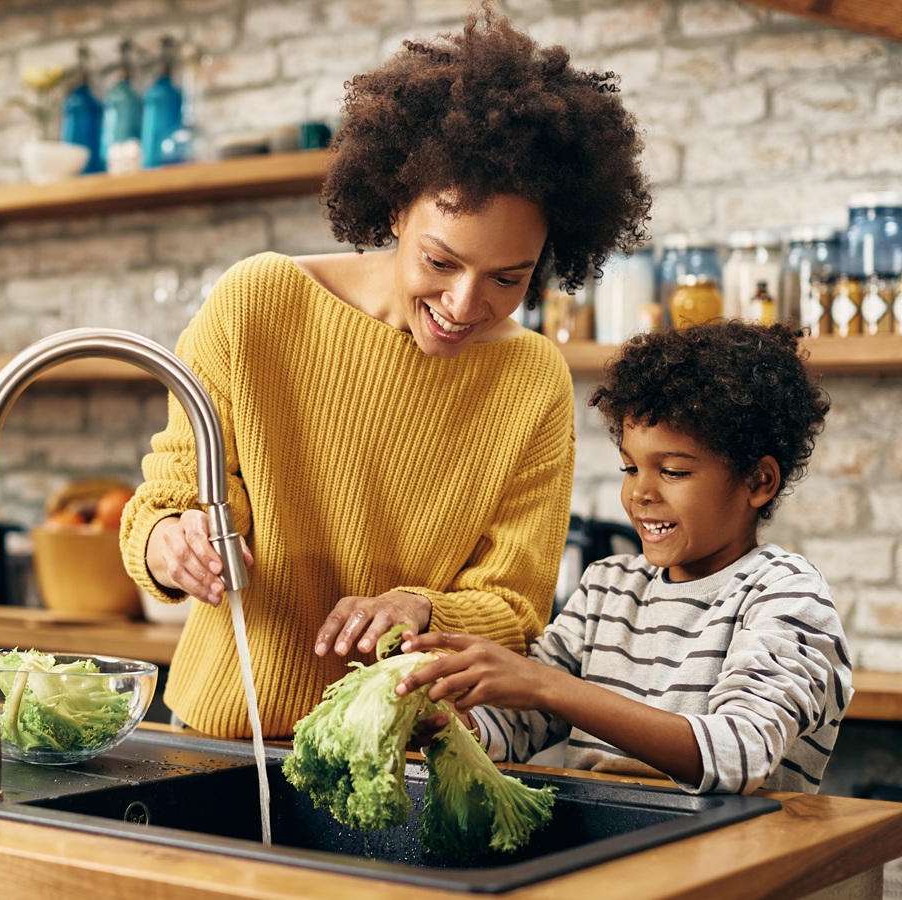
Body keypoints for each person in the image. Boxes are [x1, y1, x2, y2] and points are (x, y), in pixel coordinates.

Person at [119, 5, 652, 740]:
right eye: (441, 261)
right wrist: (173, 543)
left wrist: (421, 606)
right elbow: (168, 499)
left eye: (509, 278)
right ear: (397, 206)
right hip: (222, 740)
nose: (467, 305)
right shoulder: (260, 304)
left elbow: (517, 607)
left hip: (405, 757)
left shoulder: (532, 380)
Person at [396, 320, 851, 794]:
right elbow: (516, 726)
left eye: (673, 471)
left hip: (734, 857)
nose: (640, 493)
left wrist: (543, 684)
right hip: (614, 852)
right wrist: (451, 724)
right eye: (630, 468)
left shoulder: (786, 594)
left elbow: (739, 754)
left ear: (759, 482)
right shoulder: (607, 588)